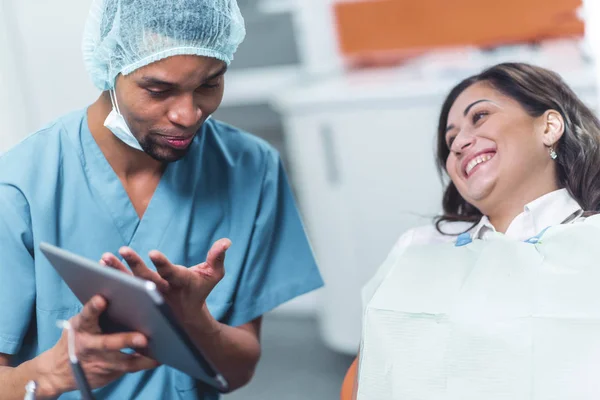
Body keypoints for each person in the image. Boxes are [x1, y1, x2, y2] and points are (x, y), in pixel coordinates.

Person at [0, 0, 324, 398]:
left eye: (209, 84)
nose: (188, 115)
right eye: (158, 90)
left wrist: (193, 321)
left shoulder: (250, 168)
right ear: (109, 67)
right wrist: (53, 374)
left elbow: (237, 373)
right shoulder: (18, 188)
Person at [353, 62, 600, 399]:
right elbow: (368, 373)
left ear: (549, 126)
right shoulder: (420, 247)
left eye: (480, 116)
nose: (457, 145)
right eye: (450, 139)